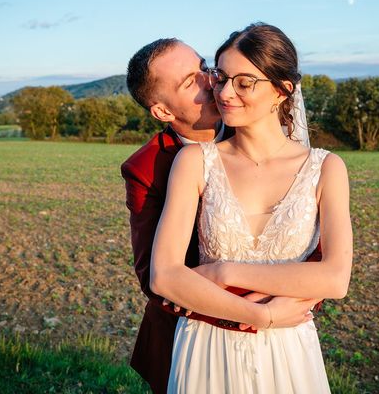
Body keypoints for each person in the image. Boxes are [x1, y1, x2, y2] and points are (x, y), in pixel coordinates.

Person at [150, 23, 353, 392]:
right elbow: (163, 276)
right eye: (222, 77)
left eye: (244, 82)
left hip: (289, 351)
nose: (225, 93)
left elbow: (335, 278)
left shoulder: (327, 168)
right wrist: (265, 314)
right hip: (206, 347)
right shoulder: (195, 162)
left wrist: (223, 271)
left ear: (281, 90)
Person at [121, 38, 317, 393]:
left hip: (283, 337)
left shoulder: (261, 124)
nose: (210, 80)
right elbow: (157, 277)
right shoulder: (146, 169)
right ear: (164, 112)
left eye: (202, 66)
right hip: (197, 341)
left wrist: (295, 300)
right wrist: (255, 316)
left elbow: (310, 237)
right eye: (188, 82)